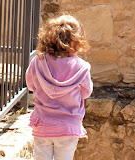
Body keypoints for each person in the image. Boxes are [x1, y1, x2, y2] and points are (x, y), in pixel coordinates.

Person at [26, 14, 93, 160]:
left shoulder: (38, 61)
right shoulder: (82, 67)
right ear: (76, 41)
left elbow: (30, 85)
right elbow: (86, 92)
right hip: (68, 126)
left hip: (43, 123)